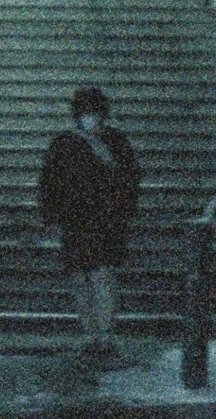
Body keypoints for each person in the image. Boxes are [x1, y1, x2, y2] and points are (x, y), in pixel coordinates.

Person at [37, 84, 140, 349]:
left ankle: (100, 331)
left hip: (97, 221)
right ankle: (94, 331)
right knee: (87, 276)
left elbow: (49, 182)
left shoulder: (104, 142)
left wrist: (51, 215)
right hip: (83, 221)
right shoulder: (72, 142)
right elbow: (49, 182)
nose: (90, 117)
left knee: (95, 275)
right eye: (86, 112)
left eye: (92, 112)